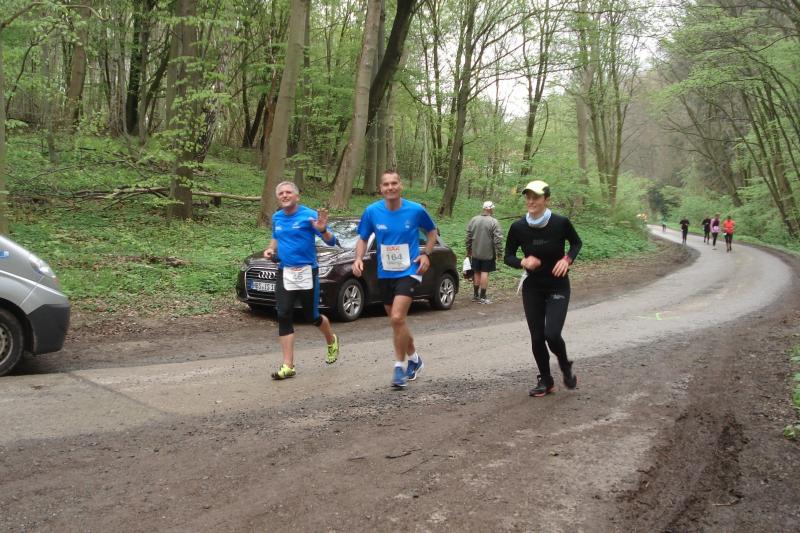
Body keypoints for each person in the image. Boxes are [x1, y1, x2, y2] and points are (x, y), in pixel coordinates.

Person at [353, 171, 438, 389]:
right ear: (380, 188)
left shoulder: (415, 210)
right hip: (385, 273)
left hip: (410, 269)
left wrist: (426, 253)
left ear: (400, 186)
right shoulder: (372, 211)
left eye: (394, 183)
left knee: (398, 317)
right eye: (386, 184)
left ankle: (399, 367)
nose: (390, 187)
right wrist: (358, 258)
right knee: (396, 321)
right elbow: (363, 238)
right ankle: (415, 359)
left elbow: (432, 232)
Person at [504, 180, 581, 397]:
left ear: (546, 199)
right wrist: (523, 261)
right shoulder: (518, 227)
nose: (531, 201)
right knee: (537, 337)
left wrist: (567, 259)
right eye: (528, 197)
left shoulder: (560, 223)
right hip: (533, 287)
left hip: (558, 285)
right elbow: (508, 256)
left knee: (552, 334)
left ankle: (565, 365)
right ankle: (546, 381)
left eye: (536, 197)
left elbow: (576, 243)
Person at [265, 181, 340, 380]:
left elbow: (331, 241)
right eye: (281, 193)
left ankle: (331, 339)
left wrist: (322, 230)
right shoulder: (277, 217)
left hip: (307, 272)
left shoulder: (309, 215)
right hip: (285, 272)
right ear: (278, 197)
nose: (284, 195)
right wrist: (271, 248)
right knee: (283, 314)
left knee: (311, 316)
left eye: (288, 192)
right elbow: (276, 236)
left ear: (297, 196)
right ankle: (288, 365)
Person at [466, 200, 503, 304]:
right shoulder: (494, 222)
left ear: (483, 208)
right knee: (484, 272)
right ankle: (482, 297)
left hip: (475, 252)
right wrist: (500, 253)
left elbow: (468, 236)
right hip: (488, 253)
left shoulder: (474, 220)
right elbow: (498, 239)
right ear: (491, 209)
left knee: (476, 272)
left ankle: (475, 295)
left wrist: (468, 250)